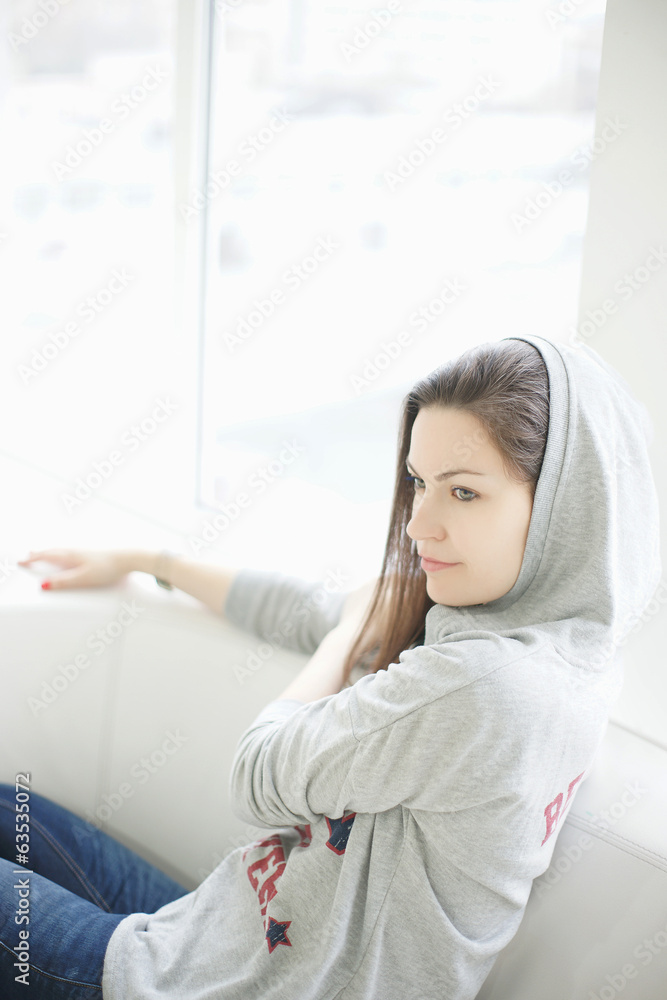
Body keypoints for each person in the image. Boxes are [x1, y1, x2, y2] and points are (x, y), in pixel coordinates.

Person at [0, 333, 661, 999]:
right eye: (417, 483)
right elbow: (305, 608)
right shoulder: (560, 646)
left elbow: (258, 774)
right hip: (210, 941)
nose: (418, 524)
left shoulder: (488, 687)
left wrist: (348, 632)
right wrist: (148, 561)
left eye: (462, 493)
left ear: (558, 509)